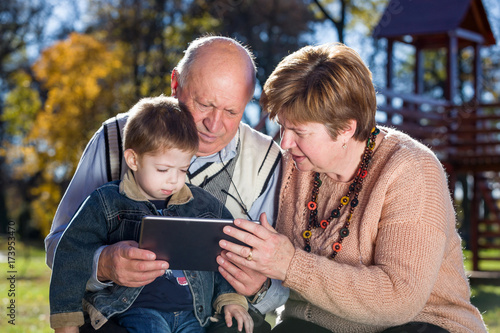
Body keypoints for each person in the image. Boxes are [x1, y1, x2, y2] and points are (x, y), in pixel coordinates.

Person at [217, 43, 488, 333]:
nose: (285, 143)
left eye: (299, 131)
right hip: (315, 325)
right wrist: (260, 286)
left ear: (346, 128)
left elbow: (400, 297)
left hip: (422, 324)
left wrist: (291, 265)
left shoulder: (411, 169)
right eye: (283, 127)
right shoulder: (293, 165)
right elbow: (285, 277)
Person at [45, 36, 288, 332]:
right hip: (121, 312)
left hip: (214, 316)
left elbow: (285, 281)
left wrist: (260, 287)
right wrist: (103, 264)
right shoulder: (114, 138)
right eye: (204, 104)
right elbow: (60, 246)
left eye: (231, 111)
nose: (214, 124)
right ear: (175, 84)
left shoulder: (270, 161)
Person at [49, 96, 253, 333]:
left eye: (183, 169)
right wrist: (67, 322)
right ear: (133, 160)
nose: (174, 179)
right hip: (137, 312)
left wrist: (230, 299)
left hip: (194, 315)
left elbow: (226, 254)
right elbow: (71, 254)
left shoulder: (205, 207)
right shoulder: (105, 202)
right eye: (163, 169)